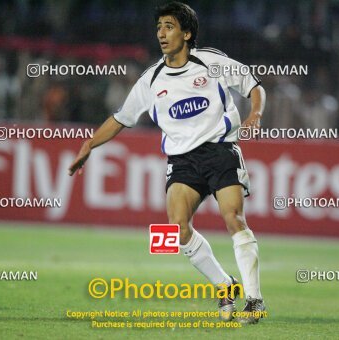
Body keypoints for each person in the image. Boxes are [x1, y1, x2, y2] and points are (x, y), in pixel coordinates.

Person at [69, 1, 266, 324]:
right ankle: (224, 285)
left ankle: (255, 300)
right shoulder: (151, 79)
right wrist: (89, 144)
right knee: (176, 228)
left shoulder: (211, 62)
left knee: (233, 218)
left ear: (187, 33)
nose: (161, 33)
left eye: (169, 26)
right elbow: (121, 118)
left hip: (219, 150)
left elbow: (254, 86)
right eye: (159, 26)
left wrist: (254, 113)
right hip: (182, 161)